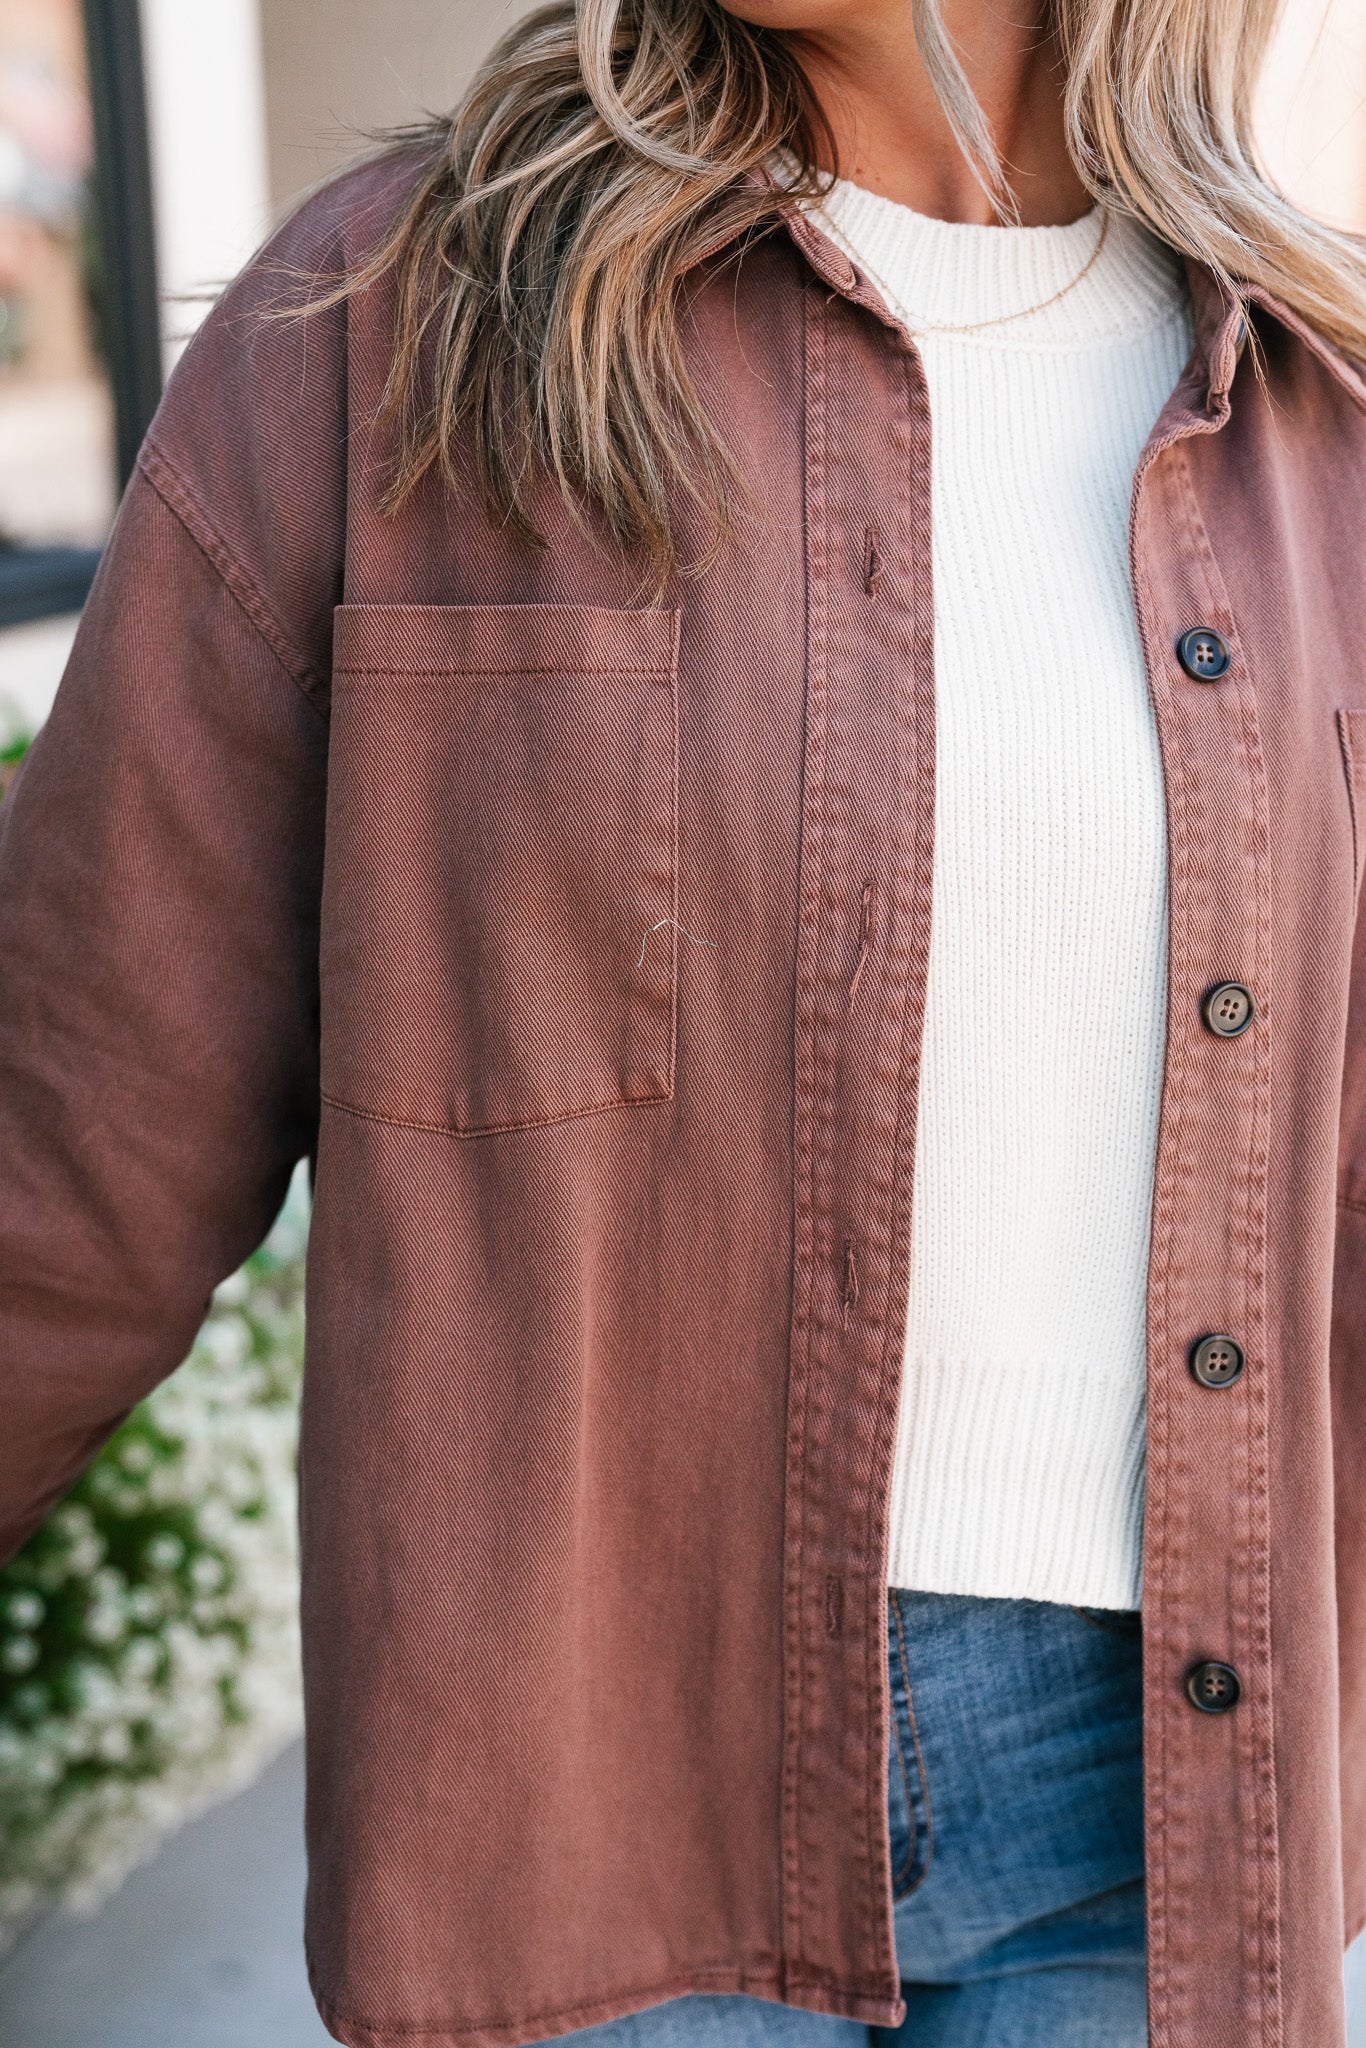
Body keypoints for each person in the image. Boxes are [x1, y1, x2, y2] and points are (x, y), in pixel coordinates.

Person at [2, 0, 1366, 2040]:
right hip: (579, 1796)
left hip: (1166, 1799)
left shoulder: (1312, 411)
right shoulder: (392, 327)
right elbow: (74, 1134)